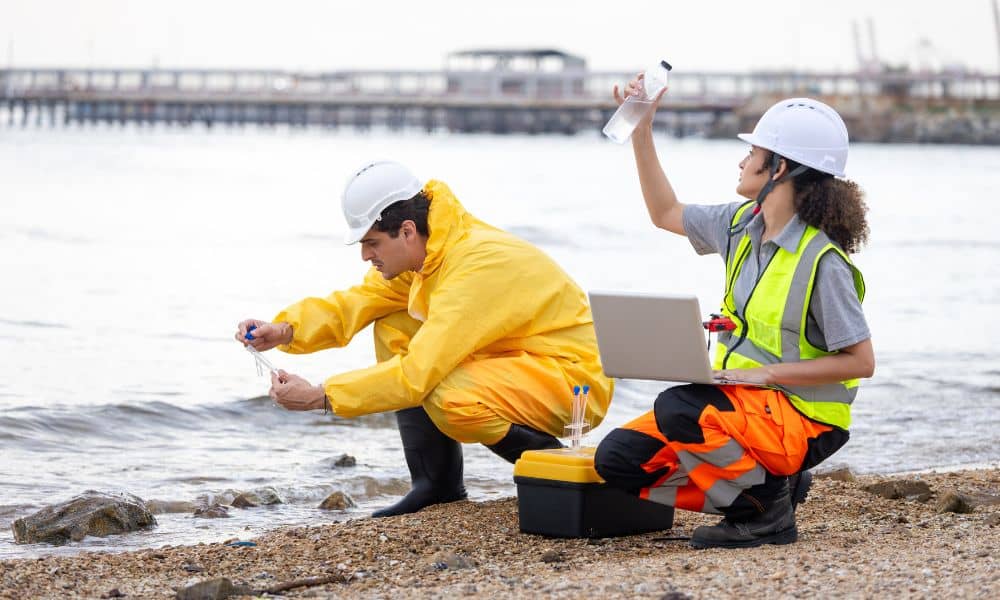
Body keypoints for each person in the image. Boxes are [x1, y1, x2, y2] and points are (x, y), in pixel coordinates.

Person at [236, 160, 613, 518]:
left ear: (407, 232)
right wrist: (285, 330)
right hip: (520, 361)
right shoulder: (428, 254)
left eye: (371, 243)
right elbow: (357, 302)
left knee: (449, 395)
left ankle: (560, 468)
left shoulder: (475, 266)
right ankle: (436, 486)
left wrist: (321, 397)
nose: (366, 255)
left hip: (572, 382)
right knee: (393, 322)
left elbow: (417, 374)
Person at [593, 79, 874, 549]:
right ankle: (764, 485)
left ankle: (763, 514)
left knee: (678, 407)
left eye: (753, 153)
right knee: (620, 460)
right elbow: (664, 212)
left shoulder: (822, 262)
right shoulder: (741, 224)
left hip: (805, 418)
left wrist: (768, 375)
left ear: (779, 168)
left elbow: (861, 362)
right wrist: (642, 131)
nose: (742, 161)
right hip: (743, 405)